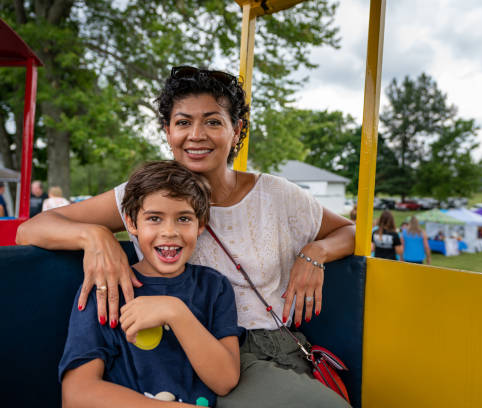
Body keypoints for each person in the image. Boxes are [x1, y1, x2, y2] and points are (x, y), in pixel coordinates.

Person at [16, 66, 354, 407]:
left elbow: (349, 230)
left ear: (235, 131)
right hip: (179, 347)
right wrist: (94, 237)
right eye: (182, 122)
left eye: (212, 121)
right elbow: (30, 229)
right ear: (167, 131)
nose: (196, 135)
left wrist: (317, 252)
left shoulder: (277, 195)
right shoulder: (146, 193)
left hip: (257, 346)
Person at [60, 161, 243, 407]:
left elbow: (225, 380)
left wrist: (175, 311)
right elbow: (76, 394)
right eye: (155, 218)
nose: (169, 231)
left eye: (184, 219)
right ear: (132, 223)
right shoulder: (105, 289)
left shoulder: (214, 287)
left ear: (201, 225)